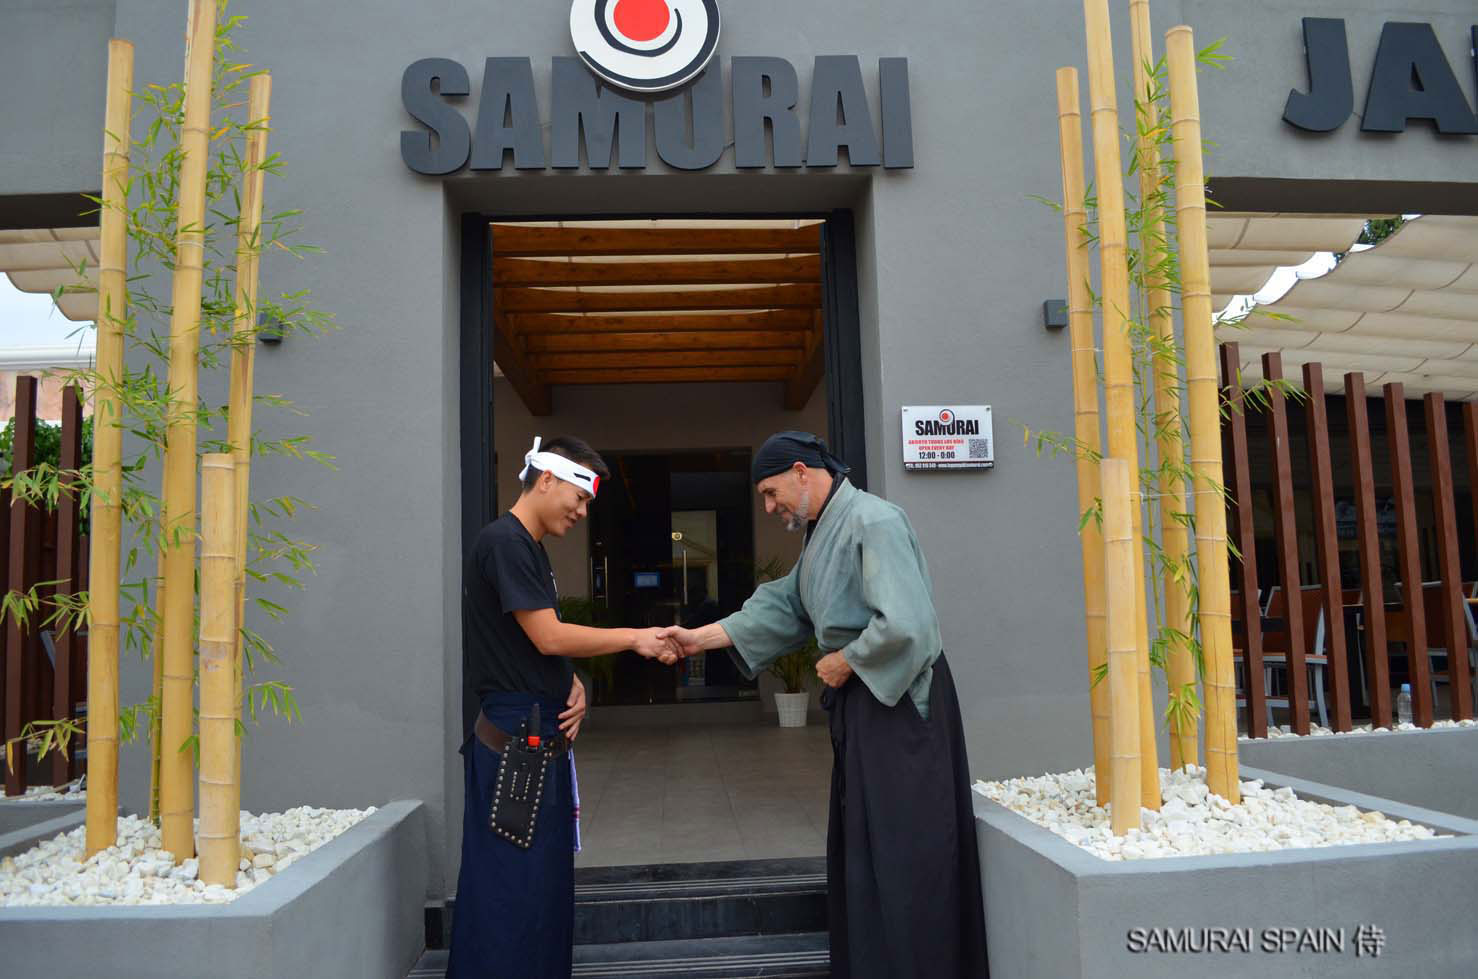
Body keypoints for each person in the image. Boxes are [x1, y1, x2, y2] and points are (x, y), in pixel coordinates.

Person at [659, 431, 989, 979]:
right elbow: (783, 606)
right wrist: (698, 638)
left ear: (801, 471)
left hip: (902, 708)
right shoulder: (823, 533)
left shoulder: (873, 521)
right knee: (869, 851)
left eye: (770, 492)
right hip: (866, 706)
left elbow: (909, 624)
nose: (768, 507)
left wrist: (849, 661)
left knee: (908, 854)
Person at [448, 435, 679, 979]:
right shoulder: (505, 542)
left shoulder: (527, 547)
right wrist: (634, 638)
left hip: (532, 739)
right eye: (578, 496)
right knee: (512, 893)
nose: (581, 511)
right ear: (546, 479)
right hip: (515, 745)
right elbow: (548, 637)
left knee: (540, 893)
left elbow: (531, 645)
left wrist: (569, 682)